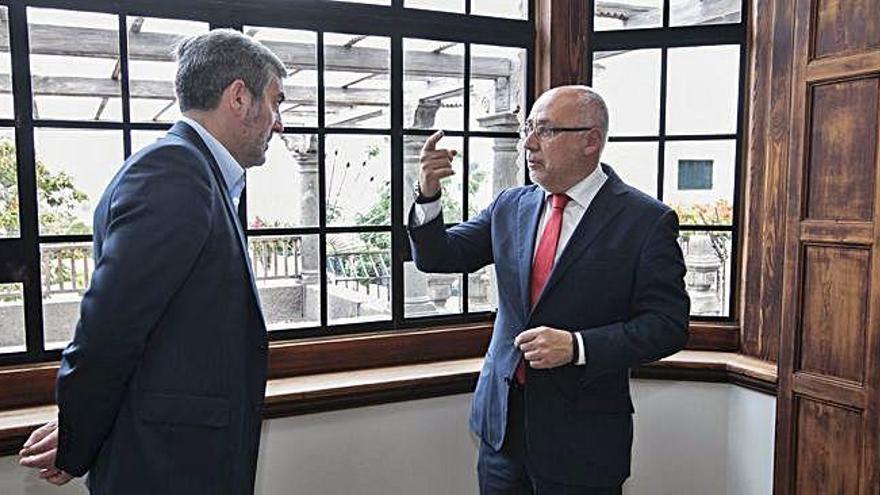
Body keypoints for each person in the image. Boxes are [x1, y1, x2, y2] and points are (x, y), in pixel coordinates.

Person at [18, 29, 285, 494]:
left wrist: (91, 423)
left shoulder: (196, 173)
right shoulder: (175, 174)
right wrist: (79, 436)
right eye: (276, 101)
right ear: (239, 98)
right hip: (167, 468)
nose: (279, 122)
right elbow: (109, 330)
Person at [408, 85, 690, 494]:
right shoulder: (510, 205)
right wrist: (428, 195)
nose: (528, 143)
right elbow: (438, 256)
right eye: (528, 129)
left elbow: (668, 326)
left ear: (590, 141)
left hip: (583, 443)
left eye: (546, 130)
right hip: (502, 430)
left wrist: (577, 347)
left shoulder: (646, 222)